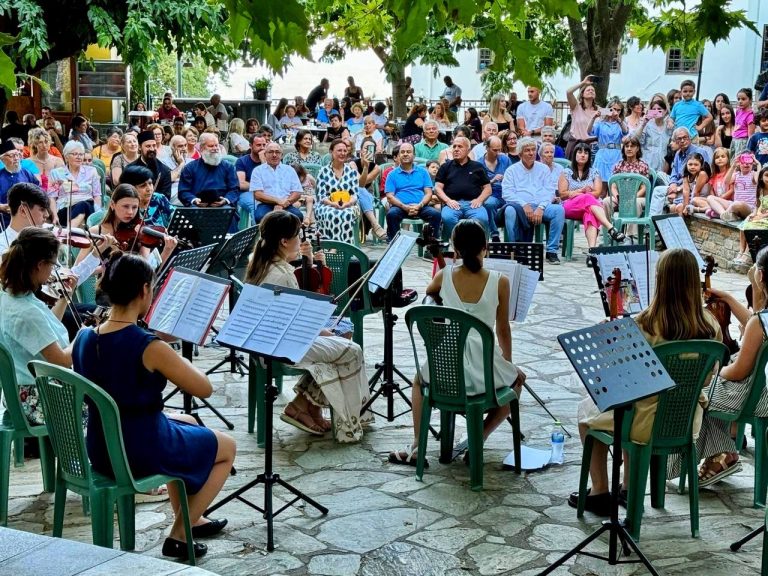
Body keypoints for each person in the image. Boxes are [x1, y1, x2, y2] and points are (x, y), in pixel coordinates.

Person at [73, 252, 236, 559]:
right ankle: (178, 536)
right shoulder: (149, 346)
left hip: (101, 447)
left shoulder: (84, 336)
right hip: (138, 450)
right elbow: (204, 387)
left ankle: (190, 519)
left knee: (187, 421)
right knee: (227, 447)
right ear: (145, 290)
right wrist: (172, 355)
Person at [570, 248, 721, 516]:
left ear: (659, 280)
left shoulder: (644, 324)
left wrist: (610, 343)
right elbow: (709, 377)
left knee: (587, 414)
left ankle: (600, 491)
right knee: (636, 406)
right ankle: (628, 488)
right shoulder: (710, 324)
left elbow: (622, 379)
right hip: (686, 421)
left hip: (645, 422)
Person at [388, 219, 525, 466]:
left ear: (456, 249)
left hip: (446, 370)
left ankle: (418, 445)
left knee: (419, 381)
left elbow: (430, 291)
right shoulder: (500, 281)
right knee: (517, 383)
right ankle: (479, 437)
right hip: (483, 372)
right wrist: (508, 364)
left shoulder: (444, 275)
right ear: (485, 246)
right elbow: (503, 329)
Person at [245, 211, 373, 440]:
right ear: (284, 241)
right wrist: (322, 332)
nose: (302, 240)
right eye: (297, 235)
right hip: (280, 346)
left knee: (338, 341)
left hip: (270, 339)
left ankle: (307, 406)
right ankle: (345, 420)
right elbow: (292, 325)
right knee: (352, 350)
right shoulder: (281, 276)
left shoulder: (260, 261)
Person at [0, 228, 75, 426]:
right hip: (38, 398)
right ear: (40, 265)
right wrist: (83, 336)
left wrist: (64, 299)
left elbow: (42, 333)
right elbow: (61, 361)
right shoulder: (26, 311)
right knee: (106, 403)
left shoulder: (9, 297)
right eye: (53, 264)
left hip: (17, 393)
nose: (53, 271)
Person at [501, 137, 565, 264]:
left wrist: (541, 207)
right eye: (527, 150)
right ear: (520, 154)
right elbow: (507, 193)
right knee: (509, 211)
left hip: (541, 206)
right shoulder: (511, 170)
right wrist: (524, 204)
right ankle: (515, 249)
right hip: (519, 207)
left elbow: (549, 192)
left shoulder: (544, 169)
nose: (531, 153)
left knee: (558, 210)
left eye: (533, 150)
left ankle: (551, 251)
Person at [558, 143, 624, 254]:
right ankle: (610, 227)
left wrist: (579, 194)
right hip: (570, 206)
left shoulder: (594, 172)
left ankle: (591, 251)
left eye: (586, 153)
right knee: (587, 197)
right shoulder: (566, 172)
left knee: (590, 214)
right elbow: (563, 194)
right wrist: (581, 191)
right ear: (574, 154)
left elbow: (597, 193)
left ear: (589, 156)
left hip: (589, 206)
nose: (583, 155)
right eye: (580, 152)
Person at [434, 137, 491, 239]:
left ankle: (480, 246)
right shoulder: (445, 167)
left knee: (482, 219)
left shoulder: (478, 167)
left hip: (473, 204)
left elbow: (488, 189)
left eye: (460, 146)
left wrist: (479, 200)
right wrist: (448, 201)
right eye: (454, 146)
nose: (456, 149)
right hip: (452, 204)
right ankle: (458, 244)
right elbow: (437, 188)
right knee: (448, 218)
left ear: (468, 150)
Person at [384, 142, 441, 241]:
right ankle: (394, 243)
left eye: (408, 152)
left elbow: (428, 193)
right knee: (391, 214)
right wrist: (404, 207)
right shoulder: (392, 174)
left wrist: (420, 205)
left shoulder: (423, 172)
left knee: (435, 214)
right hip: (400, 207)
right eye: (402, 152)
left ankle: (432, 245)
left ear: (414, 155)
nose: (405, 154)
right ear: (399, 156)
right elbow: (389, 197)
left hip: (421, 206)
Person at [649, 127, 712, 216]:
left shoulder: (700, 152)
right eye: (679, 139)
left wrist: (678, 188)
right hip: (678, 183)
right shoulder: (678, 153)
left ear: (689, 138)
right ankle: (657, 218)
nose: (682, 141)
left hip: (692, 185)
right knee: (658, 175)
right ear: (676, 141)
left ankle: (653, 219)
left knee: (658, 191)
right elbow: (674, 173)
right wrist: (673, 184)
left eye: (685, 137)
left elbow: (704, 174)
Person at [314, 139, 361, 243]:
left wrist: (347, 204)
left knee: (346, 214)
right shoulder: (323, 171)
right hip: (327, 204)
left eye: (345, 151)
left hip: (349, 204)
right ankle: (332, 245)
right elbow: (321, 196)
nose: (342, 153)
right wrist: (332, 204)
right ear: (331, 152)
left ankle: (342, 246)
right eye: (339, 150)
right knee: (331, 214)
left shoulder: (351, 172)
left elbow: (355, 195)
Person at [48, 141, 102, 227]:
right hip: (65, 210)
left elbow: (97, 195)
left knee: (83, 204)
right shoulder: (56, 173)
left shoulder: (92, 171)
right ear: (66, 156)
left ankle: (69, 231)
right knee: (82, 206)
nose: (79, 157)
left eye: (81, 154)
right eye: (75, 154)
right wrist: (54, 216)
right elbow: (52, 197)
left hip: (88, 208)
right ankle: (73, 230)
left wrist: (97, 215)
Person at [178, 133, 239, 208]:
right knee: (193, 209)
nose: (215, 148)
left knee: (227, 210)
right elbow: (183, 191)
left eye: (216, 145)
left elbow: (234, 189)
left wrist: (226, 200)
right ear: (201, 148)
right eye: (211, 146)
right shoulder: (190, 168)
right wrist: (194, 200)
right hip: (197, 206)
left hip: (223, 205)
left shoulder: (228, 167)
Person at [249, 143, 304, 224]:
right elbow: (258, 195)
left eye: (277, 152)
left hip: (287, 203)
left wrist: (283, 204)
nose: (274, 155)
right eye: (271, 152)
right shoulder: (258, 171)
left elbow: (297, 192)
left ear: (281, 155)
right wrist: (278, 201)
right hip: (265, 204)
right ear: (265, 154)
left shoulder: (289, 170)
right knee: (261, 217)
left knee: (298, 216)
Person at [710, 151, 758, 229]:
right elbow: (726, 182)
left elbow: (757, 180)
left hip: (748, 208)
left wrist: (758, 164)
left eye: (749, 162)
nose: (746, 164)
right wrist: (733, 166)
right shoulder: (736, 174)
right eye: (743, 161)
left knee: (737, 204)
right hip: (734, 205)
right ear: (739, 163)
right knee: (710, 198)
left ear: (753, 163)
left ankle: (724, 214)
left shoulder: (754, 174)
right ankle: (724, 214)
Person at [733, 165, 768, 265]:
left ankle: (747, 253)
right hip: (760, 215)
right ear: (761, 177)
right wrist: (753, 214)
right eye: (767, 175)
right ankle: (741, 251)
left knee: (751, 227)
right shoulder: (760, 190)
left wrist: (760, 216)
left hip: (765, 218)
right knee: (745, 224)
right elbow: (757, 206)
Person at [120, 165, 175, 229]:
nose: (149, 189)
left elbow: (175, 219)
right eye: (143, 186)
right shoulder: (126, 207)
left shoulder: (159, 198)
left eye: (150, 183)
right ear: (131, 188)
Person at [0, 139, 39, 227]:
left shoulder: (27, 173)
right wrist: (1, 207)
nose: (16, 158)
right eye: (12, 156)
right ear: (3, 159)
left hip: (27, 218)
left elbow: (38, 191)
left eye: (17, 154)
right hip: (5, 221)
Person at [478, 136, 511, 242]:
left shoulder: (505, 159)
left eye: (499, 149)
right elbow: (477, 186)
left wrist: (506, 179)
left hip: (506, 192)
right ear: (487, 148)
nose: (498, 153)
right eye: (494, 150)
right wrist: (492, 180)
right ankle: (494, 234)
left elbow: (512, 176)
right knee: (489, 204)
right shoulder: (479, 164)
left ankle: (514, 240)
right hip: (490, 193)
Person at [588, 98, 628, 183]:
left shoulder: (621, 123)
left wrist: (619, 120)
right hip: (602, 153)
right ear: (608, 109)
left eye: (618, 110)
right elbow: (589, 132)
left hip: (616, 154)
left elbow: (625, 132)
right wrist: (593, 118)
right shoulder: (601, 123)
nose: (615, 112)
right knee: (600, 182)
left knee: (615, 183)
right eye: (613, 109)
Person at [127, 131, 173, 200]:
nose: (152, 149)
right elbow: (126, 193)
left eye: (154, 145)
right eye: (148, 146)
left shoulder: (164, 170)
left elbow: (165, 198)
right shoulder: (130, 169)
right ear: (139, 147)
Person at [235, 133, 266, 218]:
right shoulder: (242, 161)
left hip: (267, 193)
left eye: (264, 145)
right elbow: (241, 184)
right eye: (258, 145)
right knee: (256, 206)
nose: (262, 148)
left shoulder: (269, 161)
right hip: (247, 193)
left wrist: (263, 162)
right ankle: (258, 226)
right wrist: (260, 186)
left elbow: (272, 181)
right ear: (250, 146)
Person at [27, 128, 64, 194]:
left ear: (50, 142)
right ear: (35, 144)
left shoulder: (58, 161)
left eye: (46, 141)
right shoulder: (28, 162)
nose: (44, 145)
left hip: (55, 196)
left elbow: (63, 183)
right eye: (40, 142)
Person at [677, 152, 711, 216]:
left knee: (694, 201)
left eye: (696, 165)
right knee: (678, 207)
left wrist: (689, 207)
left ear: (701, 166)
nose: (692, 167)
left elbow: (696, 192)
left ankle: (709, 210)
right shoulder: (686, 175)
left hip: (702, 199)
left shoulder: (702, 174)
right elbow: (686, 191)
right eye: (690, 164)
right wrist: (685, 206)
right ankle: (682, 222)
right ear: (686, 165)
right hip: (693, 198)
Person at [704, 147, 733, 219]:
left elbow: (732, 190)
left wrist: (720, 198)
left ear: (728, 159)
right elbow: (711, 191)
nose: (720, 159)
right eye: (717, 157)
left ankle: (720, 212)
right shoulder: (714, 175)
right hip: (716, 200)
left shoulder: (731, 173)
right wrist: (715, 198)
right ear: (714, 161)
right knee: (695, 200)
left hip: (728, 201)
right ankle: (717, 210)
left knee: (710, 199)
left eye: (723, 156)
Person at [731, 88, 756, 157]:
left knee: (739, 161)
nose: (740, 101)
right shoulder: (738, 111)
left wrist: (749, 150)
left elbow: (751, 136)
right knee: (732, 160)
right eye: (738, 99)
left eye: (743, 99)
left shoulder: (750, 115)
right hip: (734, 140)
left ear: (750, 100)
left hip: (743, 142)